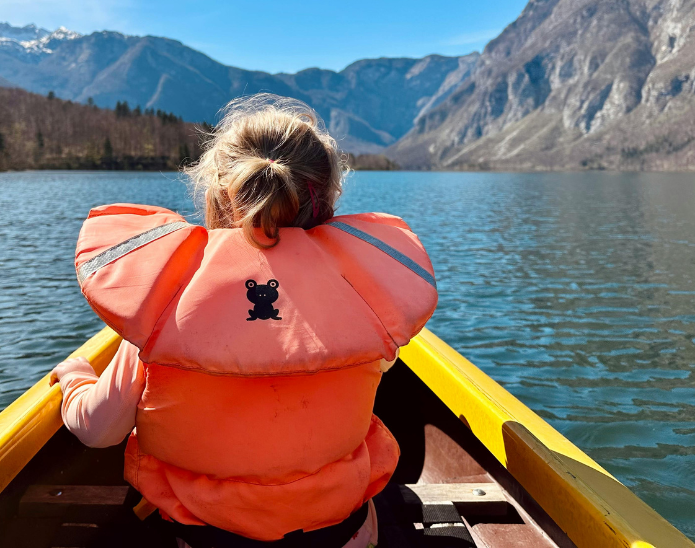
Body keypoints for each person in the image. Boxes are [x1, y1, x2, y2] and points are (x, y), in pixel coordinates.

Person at [50, 94, 438, 548]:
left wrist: (76, 378)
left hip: (206, 538)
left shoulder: (161, 306)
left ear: (217, 195)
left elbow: (99, 431)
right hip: (342, 535)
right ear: (328, 197)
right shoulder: (365, 303)